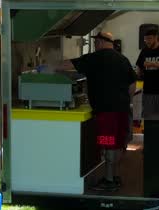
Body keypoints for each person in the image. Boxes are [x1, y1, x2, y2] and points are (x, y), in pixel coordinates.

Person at [56, 32, 136, 191]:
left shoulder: (95, 57)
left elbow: (68, 65)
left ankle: (109, 180)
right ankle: (114, 176)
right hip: (122, 110)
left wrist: (49, 65)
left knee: (108, 144)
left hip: (106, 112)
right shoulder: (123, 59)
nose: (95, 45)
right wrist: (125, 100)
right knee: (118, 144)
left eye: (95, 42)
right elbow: (132, 85)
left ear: (100, 42)